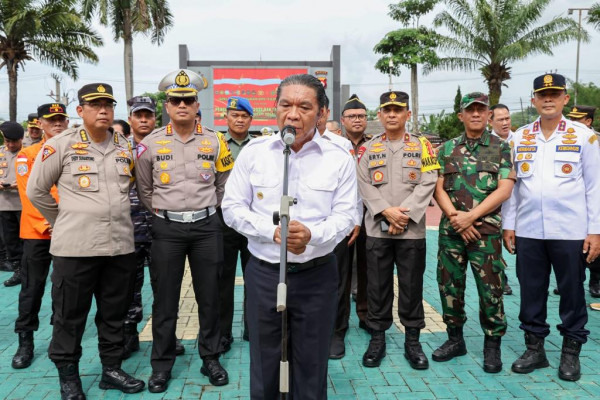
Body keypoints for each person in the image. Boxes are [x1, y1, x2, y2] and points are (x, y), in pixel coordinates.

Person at [222, 74, 357, 399]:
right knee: (265, 365)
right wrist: (271, 232)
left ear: (321, 113)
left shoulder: (338, 158)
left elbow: (347, 216)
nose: (293, 114)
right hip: (264, 274)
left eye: (304, 106)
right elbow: (231, 207)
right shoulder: (255, 153)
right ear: (276, 108)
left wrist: (312, 234)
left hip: (317, 277)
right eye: (286, 105)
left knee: (311, 367)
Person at [27, 83, 145, 399]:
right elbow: (36, 190)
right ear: (81, 111)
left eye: (108, 104)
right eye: (95, 105)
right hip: (75, 248)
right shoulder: (61, 144)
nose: (103, 110)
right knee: (69, 315)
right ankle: (69, 377)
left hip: (119, 246)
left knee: (114, 314)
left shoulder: (123, 145)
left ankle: (111, 369)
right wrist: (63, 221)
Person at [135, 69, 232, 392]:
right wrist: (166, 213)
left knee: (210, 297)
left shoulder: (215, 141)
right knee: (165, 300)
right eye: (175, 100)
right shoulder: (150, 144)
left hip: (207, 227)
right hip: (168, 228)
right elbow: (145, 189)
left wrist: (208, 214)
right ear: (167, 105)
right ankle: (161, 366)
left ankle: (211, 357)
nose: (181, 105)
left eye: (188, 100)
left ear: (196, 104)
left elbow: (223, 185)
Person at [503, 74, 600, 382]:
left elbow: (595, 187)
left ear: (565, 99)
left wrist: (595, 230)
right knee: (531, 291)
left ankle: (570, 353)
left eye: (554, 94)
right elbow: (513, 187)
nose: (548, 99)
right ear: (533, 99)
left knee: (572, 292)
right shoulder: (519, 137)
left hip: (570, 231)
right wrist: (509, 225)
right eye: (542, 94)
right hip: (529, 230)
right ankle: (535, 349)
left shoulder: (584, 136)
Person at [357, 91, 439, 370]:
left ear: (408, 114)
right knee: (377, 286)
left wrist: (403, 214)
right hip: (378, 229)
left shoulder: (423, 145)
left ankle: (412, 341)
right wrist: (385, 210)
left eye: (397, 110)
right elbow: (363, 182)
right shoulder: (369, 148)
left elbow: (429, 180)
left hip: (411, 229)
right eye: (386, 110)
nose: (392, 115)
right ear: (378, 116)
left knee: (411, 285)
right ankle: (377, 339)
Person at [433, 92, 514, 373]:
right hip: (452, 231)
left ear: (489, 114)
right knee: (449, 286)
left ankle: (492, 346)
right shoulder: (446, 149)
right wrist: (457, 219)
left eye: (481, 109)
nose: (476, 114)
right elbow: (438, 187)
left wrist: (471, 217)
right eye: (471, 110)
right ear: (461, 116)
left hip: (485, 231)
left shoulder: (499, 147)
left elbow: (505, 188)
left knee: (490, 290)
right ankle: (455, 340)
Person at [11, 103, 68, 369]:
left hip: (68, 232)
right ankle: (26, 341)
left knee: (63, 288)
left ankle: (60, 337)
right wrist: (53, 222)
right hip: (38, 232)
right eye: (51, 120)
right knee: (32, 288)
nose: (57, 124)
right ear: (40, 124)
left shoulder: (74, 152)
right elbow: (29, 195)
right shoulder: (28, 154)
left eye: (61, 119)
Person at [317, 97, 361, 360]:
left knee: (339, 281)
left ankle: (337, 331)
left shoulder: (342, 146)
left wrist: (355, 219)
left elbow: (352, 188)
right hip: (304, 229)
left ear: (324, 112)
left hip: (337, 226)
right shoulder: (287, 143)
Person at [219, 96, 254, 351]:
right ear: (226, 118)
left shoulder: (260, 146)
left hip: (254, 222)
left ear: (250, 119)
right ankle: (222, 333)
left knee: (256, 278)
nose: (239, 120)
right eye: (234, 115)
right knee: (222, 280)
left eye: (244, 116)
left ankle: (254, 329)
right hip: (223, 222)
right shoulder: (216, 144)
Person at [341, 94, 372, 332]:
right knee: (340, 271)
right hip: (341, 216)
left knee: (367, 268)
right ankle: (338, 322)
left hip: (371, 215)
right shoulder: (332, 145)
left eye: (361, 116)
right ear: (343, 120)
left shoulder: (375, 145)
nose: (357, 120)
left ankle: (365, 314)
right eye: (352, 116)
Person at [566, 105, 600, 300]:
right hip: (576, 202)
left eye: (578, 120)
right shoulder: (569, 137)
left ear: (588, 121)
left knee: (594, 243)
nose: (573, 123)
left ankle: (595, 280)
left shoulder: (595, 139)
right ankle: (571, 280)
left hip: (596, 195)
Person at [488, 103, 514, 296]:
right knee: (495, 245)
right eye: (500, 120)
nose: (505, 123)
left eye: (507, 118)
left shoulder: (523, 139)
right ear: (490, 121)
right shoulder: (486, 144)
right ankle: (501, 278)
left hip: (521, 202)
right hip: (495, 203)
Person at [0, 122, 24, 287]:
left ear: (22, 139)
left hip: (23, 205)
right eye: (7, 141)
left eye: (14, 141)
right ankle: (18, 271)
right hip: (4, 205)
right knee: (10, 242)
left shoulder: (28, 153)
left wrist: (19, 184)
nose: (10, 144)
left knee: (27, 241)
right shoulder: (0, 153)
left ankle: (29, 270)